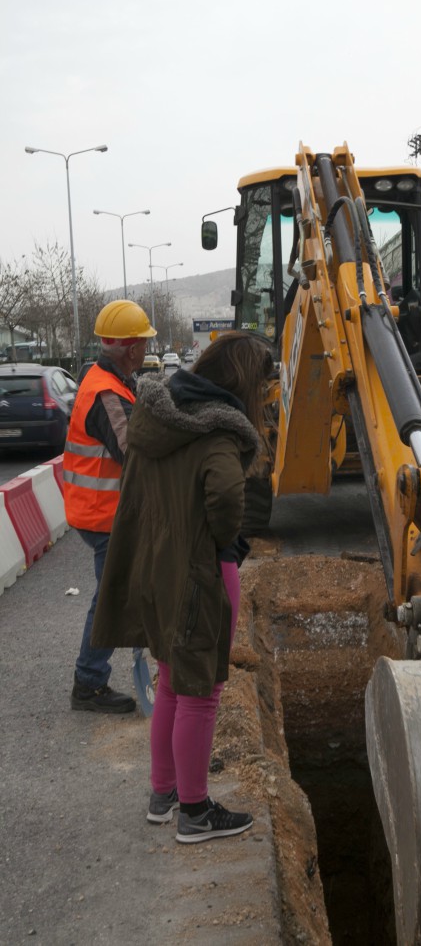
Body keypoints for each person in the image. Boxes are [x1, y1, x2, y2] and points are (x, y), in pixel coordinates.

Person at [91, 332, 272, 843]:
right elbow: (227, 495)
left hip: (159, 569)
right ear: (242, 382)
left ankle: (164, 793)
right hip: (200, 574)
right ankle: (195, 812)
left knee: (172, 680)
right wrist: (222, 544)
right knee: (202, 689)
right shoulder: (218, 431)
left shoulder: (158, 418)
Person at [63, 299, 157, 714]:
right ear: (131, 348)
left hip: (100, 510)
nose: (146, 350)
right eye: (143, 343)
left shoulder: (109, 380)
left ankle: (93, 674)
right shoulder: (104, 392)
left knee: (114, 592)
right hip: (102, 515)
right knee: (108, 597)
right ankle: (88, 682)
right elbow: (132, 451)